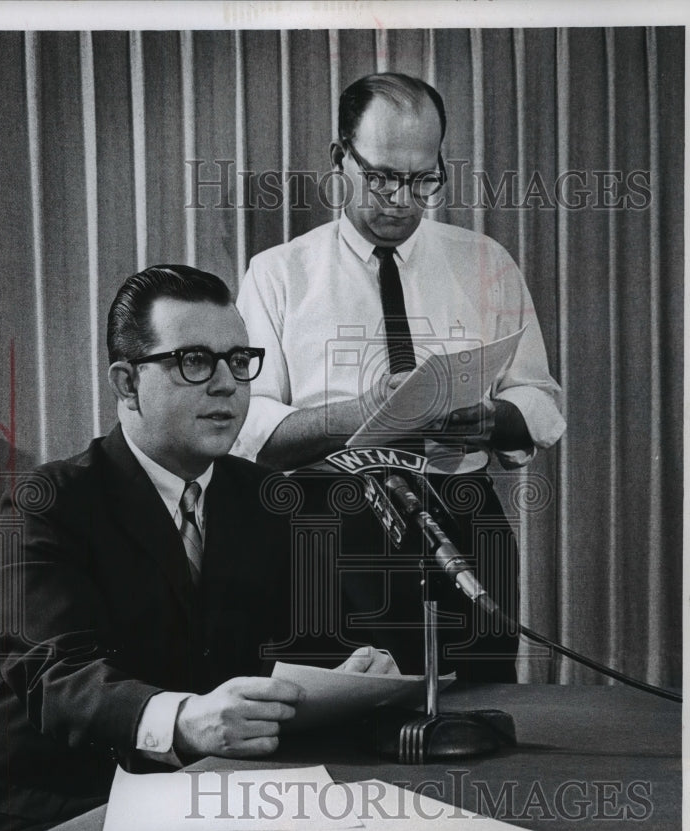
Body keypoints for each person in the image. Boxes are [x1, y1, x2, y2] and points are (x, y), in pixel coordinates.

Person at [0, 264, 393, 831]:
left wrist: (354, 676)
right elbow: (53, 678)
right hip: (66, 815)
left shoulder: (276, 498)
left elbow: (318, 647)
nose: (226, 385)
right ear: (126, 381)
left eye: (238, 361)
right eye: (194, 361)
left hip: (229, 807)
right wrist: (183, 719)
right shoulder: (49, 501)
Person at [233, 73, 566, 681]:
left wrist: (493, 418)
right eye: (381, 176)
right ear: (341, 159)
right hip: (324, 531)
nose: (400, 199)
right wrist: (359, 414)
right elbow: (246, 429)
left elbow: (540, 400)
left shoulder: (486, 261)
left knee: (479, 719)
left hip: (465, 517)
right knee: (341, 732)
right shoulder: (277, 274)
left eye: (422, 179)